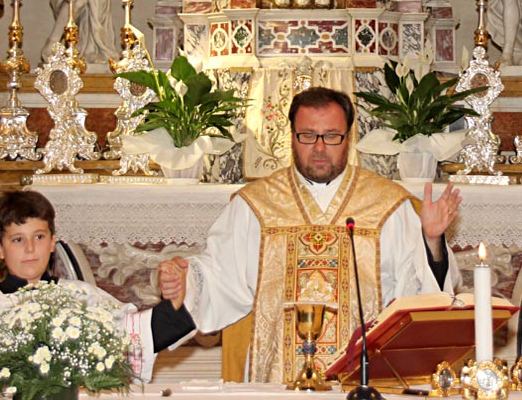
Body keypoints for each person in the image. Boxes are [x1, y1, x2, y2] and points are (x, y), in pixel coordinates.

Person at [157, 87, 462, 384]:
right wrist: (187, 281)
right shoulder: (255, 206)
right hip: (276, 380)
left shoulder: (387, 205)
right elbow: (220, 276)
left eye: (331, 136)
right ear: (292, 137)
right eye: (307, 135)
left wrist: (431, 241)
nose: (319, 148)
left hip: (361, 381)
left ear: (348, 138)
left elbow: (419, 297)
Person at [0, 190, 194, 400]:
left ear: (53, 242)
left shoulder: (81, 297)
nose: (30, 249)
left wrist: (175, 296)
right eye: (17, 239)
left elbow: (139, 336)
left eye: (39, 237)